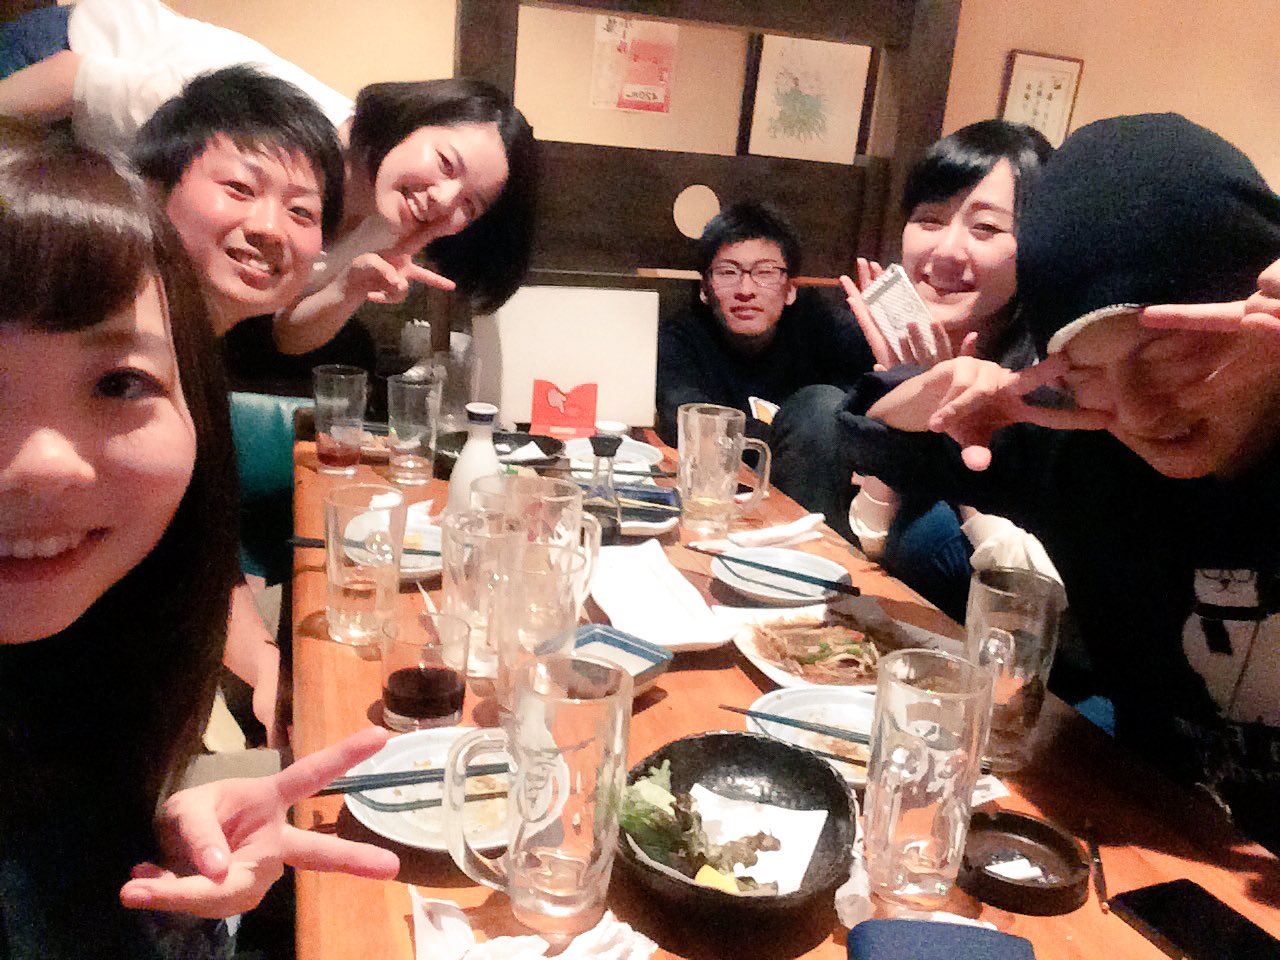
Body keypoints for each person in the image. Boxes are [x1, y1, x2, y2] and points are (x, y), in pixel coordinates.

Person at [0, 122, 398, 957]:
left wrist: (172, 875)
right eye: (240, 187)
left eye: (119, 384)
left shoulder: (100, 648)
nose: (45, 465)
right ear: (159, 185)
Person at [837, 113, 1280, 850]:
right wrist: (946, 385)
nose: (1142, 411)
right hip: (1156, 846)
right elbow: (868, 429)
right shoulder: (1087, 455)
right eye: (1092, 370)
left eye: (1174, 356)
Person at [0, 0, 538, 353]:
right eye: (446, 164)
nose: (445, 199)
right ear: (410, 121)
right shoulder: (277, 127)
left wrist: (349, 288)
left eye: (471, 205)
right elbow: (75, 81)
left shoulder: (387, 219)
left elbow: (288, 332)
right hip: (60, 59)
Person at [771, 121, 1051, 577]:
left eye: (985, 227)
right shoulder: (897, 348)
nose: (946, 250)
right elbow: (872, 538)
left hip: (993, 616)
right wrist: (905, 401)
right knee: (815, 407)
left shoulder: (1051, 379)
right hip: (896, 611)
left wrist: (958, 422)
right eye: (929, 220)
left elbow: (1036, 585)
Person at [654, 201, 873, 504]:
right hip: (721, 496)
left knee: (821, 405)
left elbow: (869, 393)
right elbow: (688, 418)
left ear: (791, 288)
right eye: (727, 272)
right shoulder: (681, 339)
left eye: (765, 272)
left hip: (814, 497)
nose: (746, 289)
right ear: (705, 288)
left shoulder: (821, 325)